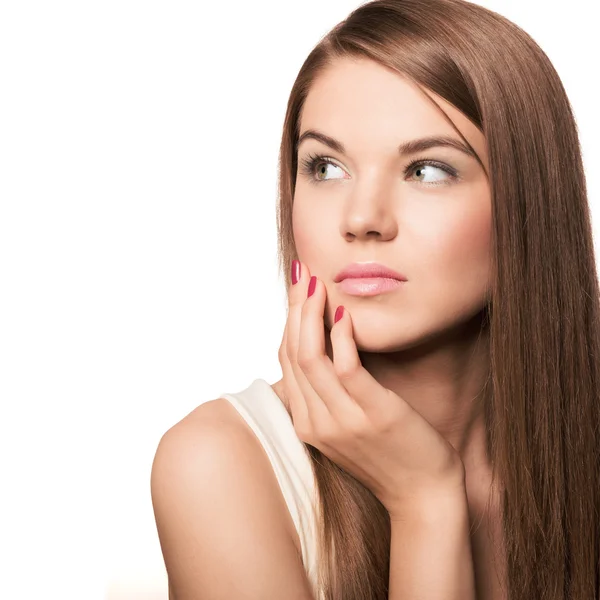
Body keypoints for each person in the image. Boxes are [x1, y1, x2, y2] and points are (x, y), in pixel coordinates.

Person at [150, 0, 600, 599]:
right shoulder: (219, 464)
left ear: (530, 204)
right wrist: (426, 503)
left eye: (428, 171)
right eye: (327, 167)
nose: (362, 218)